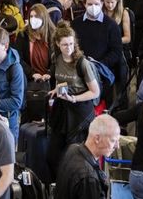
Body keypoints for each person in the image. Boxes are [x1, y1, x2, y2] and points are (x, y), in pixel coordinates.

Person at [47, 22, 101, 176]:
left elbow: (95, 92)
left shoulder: (82, 63)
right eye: (64, 45)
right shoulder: (56, 58)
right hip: (62, 108)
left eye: (71, 43)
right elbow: (61, 80)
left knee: (73, 155)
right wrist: (56, 90)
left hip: (80, 111)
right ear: (58, 44)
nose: (68, 48)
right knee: (53, 155)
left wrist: (75, 99)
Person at [71, 0, 123, 105]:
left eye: (96, 4)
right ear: (84, 4)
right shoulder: (75, 24)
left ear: (102, 4)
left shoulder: (111, 25)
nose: (93, 7)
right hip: (80, 74)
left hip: (103, 74)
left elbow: (116, 51)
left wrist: (98, 65)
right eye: (90, 4)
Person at [54, 114, 121, 199]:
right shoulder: (89, 178)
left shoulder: (72, 149)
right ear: (97, 139)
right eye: (113, 141)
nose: (117, 146)